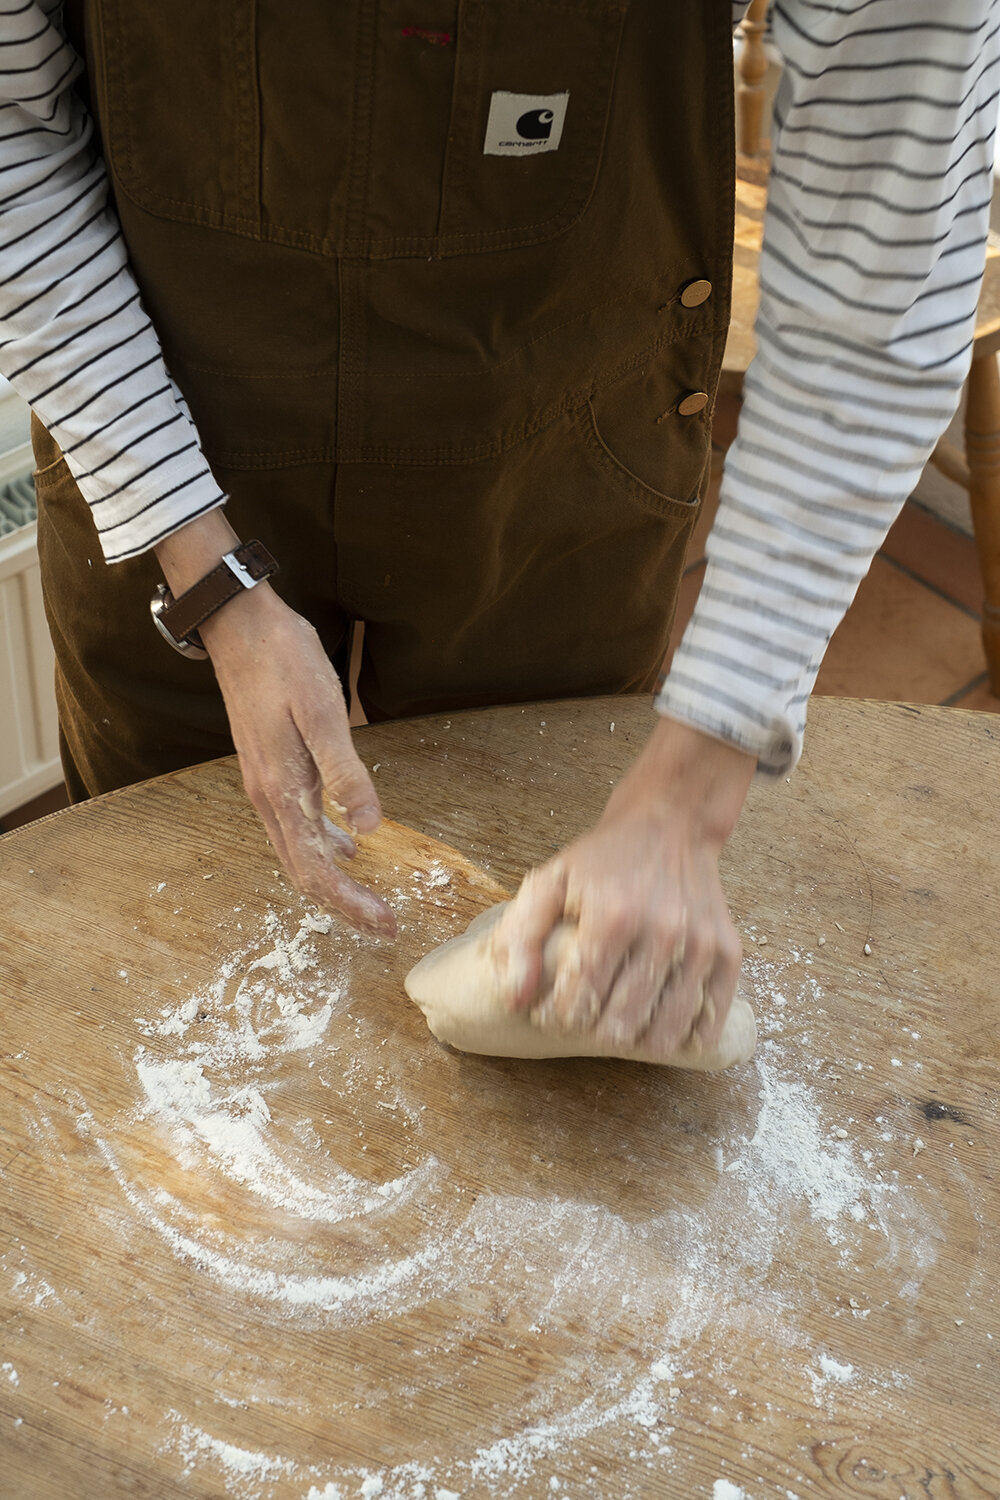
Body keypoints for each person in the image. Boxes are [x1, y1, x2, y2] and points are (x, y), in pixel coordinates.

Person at [2, 0, 997, 1056]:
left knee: (554, 951)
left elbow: (883, 262)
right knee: (165, 985)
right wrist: (204, 572)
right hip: (157, 435)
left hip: (559, 464)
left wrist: (691, 789)